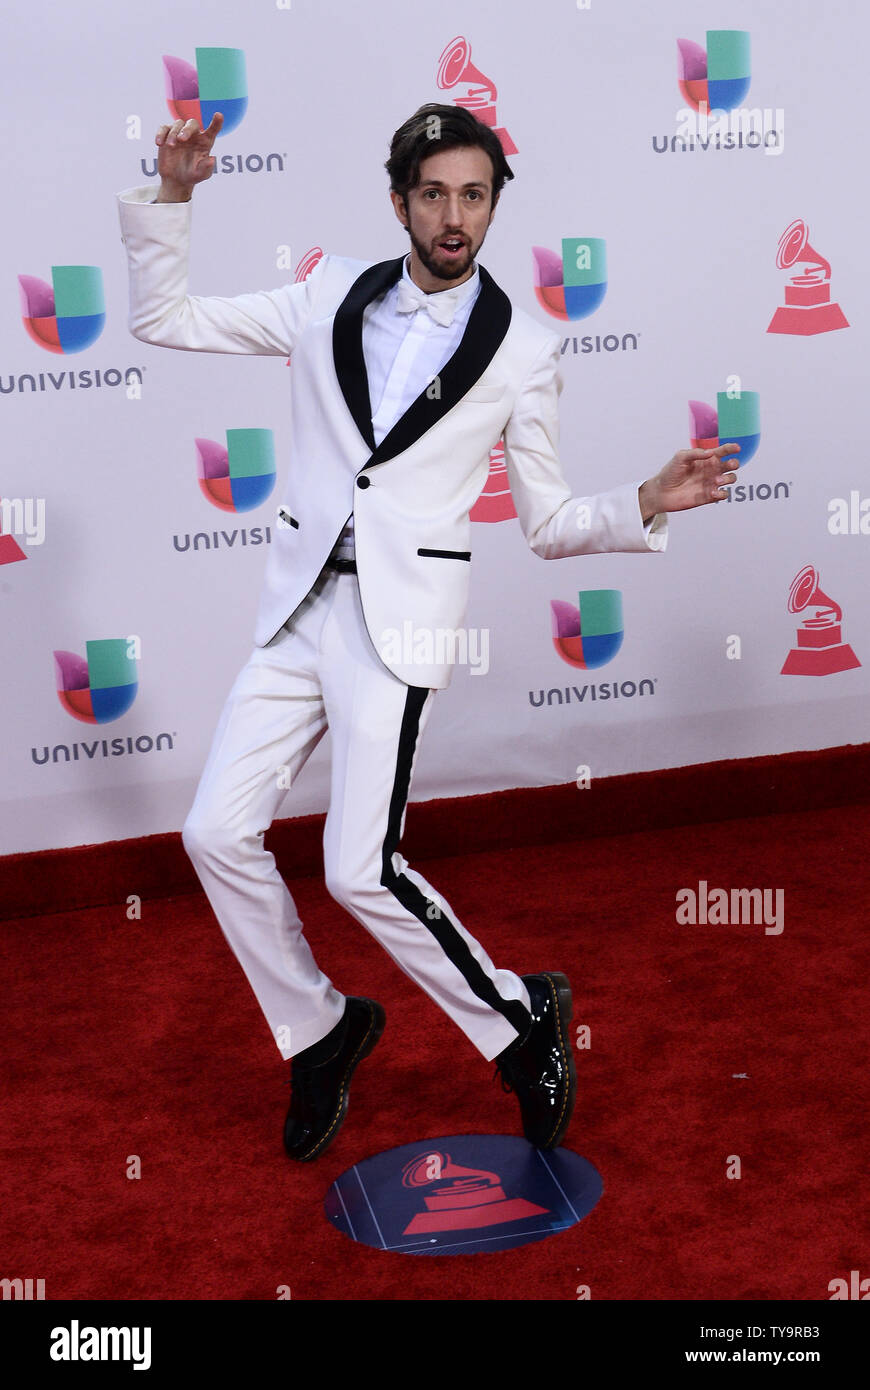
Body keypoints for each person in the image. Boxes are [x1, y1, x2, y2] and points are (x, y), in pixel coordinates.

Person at [116, 103, 738, 1162]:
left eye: (475, 196)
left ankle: (520, 1020)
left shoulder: (525, 350)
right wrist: (174, 194)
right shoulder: (324, 295)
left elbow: (545, 522)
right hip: (298, 607)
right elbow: (164, 318)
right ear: (400, 200)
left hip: (396, 624)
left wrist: (645, 499)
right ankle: (320, 1029)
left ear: (495, 205)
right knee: (214, 834)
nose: (456, 217)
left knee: (360, 868)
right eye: (436, 194)